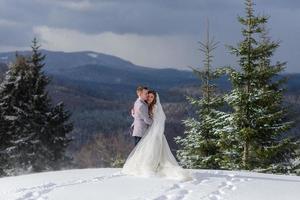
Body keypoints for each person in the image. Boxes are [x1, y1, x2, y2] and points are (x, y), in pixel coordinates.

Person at [122, 90, 192, 181]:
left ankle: (152, 167)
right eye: (148, 96)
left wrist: (154, 131)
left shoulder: (154, 107)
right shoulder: (147, 106)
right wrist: (135, 115)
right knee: (148, 151)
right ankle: (150, 166)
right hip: (149, 132)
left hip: (154, 133)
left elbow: (159, 120)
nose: (149, 98)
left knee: (152, 151)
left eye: (151, 97)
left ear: (155, 98)